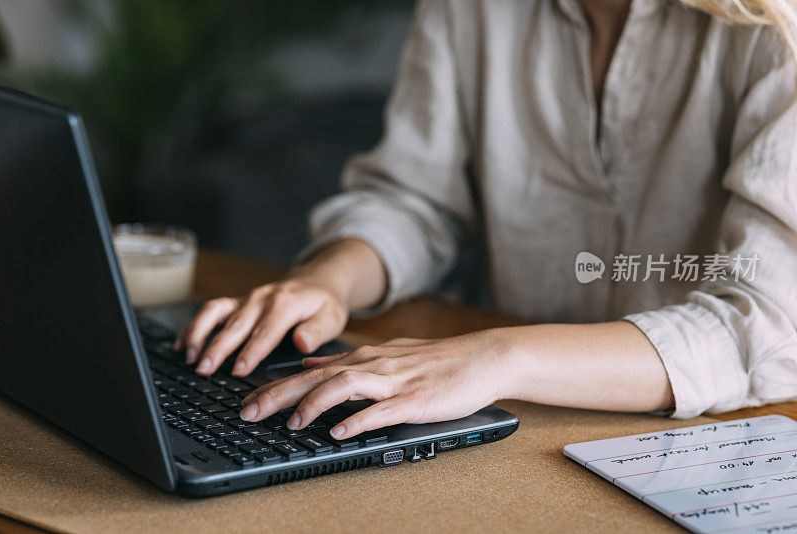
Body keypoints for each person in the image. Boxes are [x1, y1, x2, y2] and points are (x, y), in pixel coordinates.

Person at [174, 0, 797, 442]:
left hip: (718, 433)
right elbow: (417, 199)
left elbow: (765, 325)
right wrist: (329, 281)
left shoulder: (778, 28)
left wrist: (498, 357)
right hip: (513, 417)